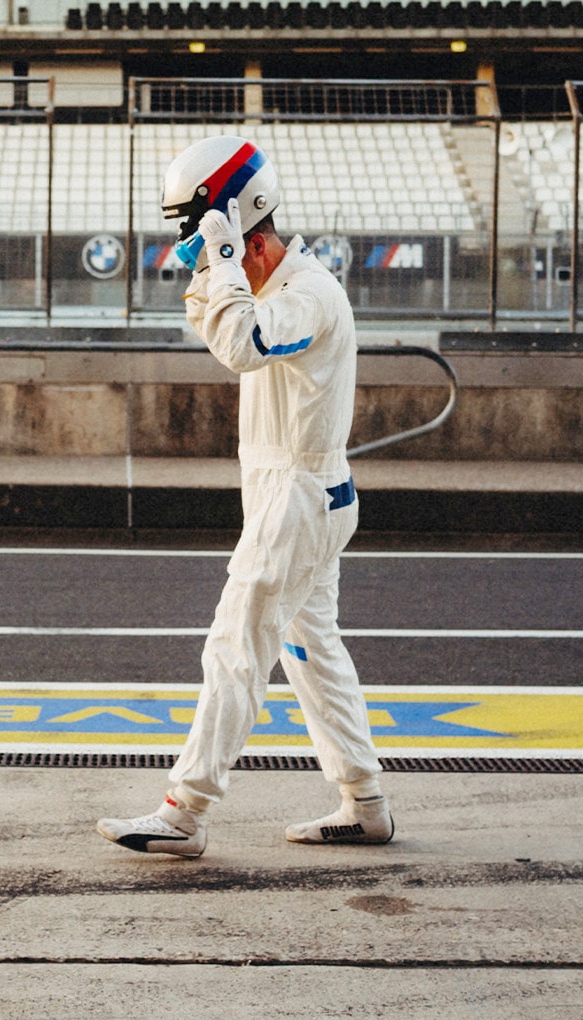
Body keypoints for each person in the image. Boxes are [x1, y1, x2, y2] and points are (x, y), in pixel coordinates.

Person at [95, 136, 392, 858]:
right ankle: (366, 801)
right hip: (298, 496)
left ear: (240, 227)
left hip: (300, 497)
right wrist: (219, 268)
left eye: (205, 238)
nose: (198, 253)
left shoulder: (304, 295)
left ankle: (183, 811)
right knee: (310, 650)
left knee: (236, 642)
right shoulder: (269, 286)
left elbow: (242, 345)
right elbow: (217, 322)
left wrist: (223, 262)